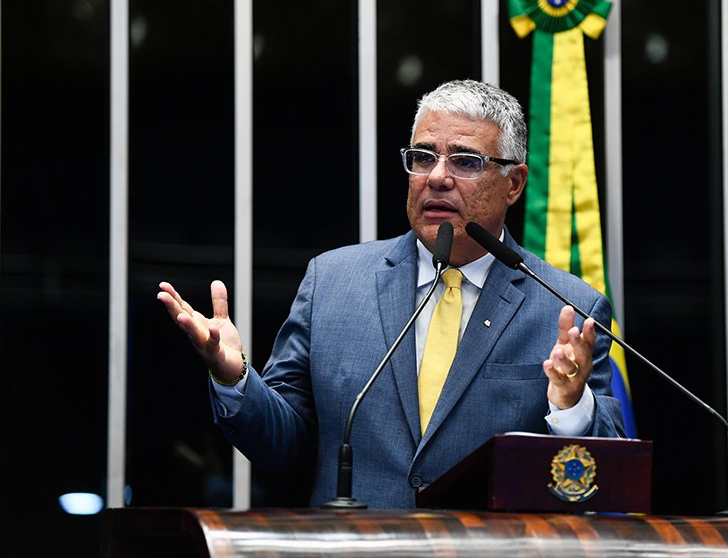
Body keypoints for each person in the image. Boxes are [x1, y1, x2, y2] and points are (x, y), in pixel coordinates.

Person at [157, 79, 625, 509]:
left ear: (514, 184)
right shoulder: (333, 282)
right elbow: (282, 446)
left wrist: (570, 406)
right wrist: (234, 376)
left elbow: (606, 477)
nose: (437, 177)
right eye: (423, 157)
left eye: (465, 161)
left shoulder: (567, 307)